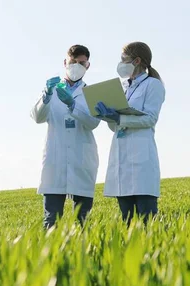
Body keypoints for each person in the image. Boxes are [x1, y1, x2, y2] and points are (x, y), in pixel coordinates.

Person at [94, 42, 166, 224]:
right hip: (121, 162)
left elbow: (150, 118)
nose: (120, 63)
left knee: (147, 222)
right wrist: (109, 118)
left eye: (123, 59)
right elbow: (117, 126)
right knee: (128, 223)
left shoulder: (153, 85)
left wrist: (120, 119)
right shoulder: (125, 87)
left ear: (137, 61)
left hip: (142, 163)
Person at [31, 44, 101, 229]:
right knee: (51, 221)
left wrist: (72, 105)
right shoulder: (51, 90)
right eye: (73, 62)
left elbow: (93, 122)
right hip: (56, 160)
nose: (76, 66)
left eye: (81, 63)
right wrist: (46, 97)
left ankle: (85, 256)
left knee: (83, 221)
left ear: (88, 66)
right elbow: (37, 117)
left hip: (82, 160)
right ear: (65, 62)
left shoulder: (92, 93)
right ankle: (51, 257)